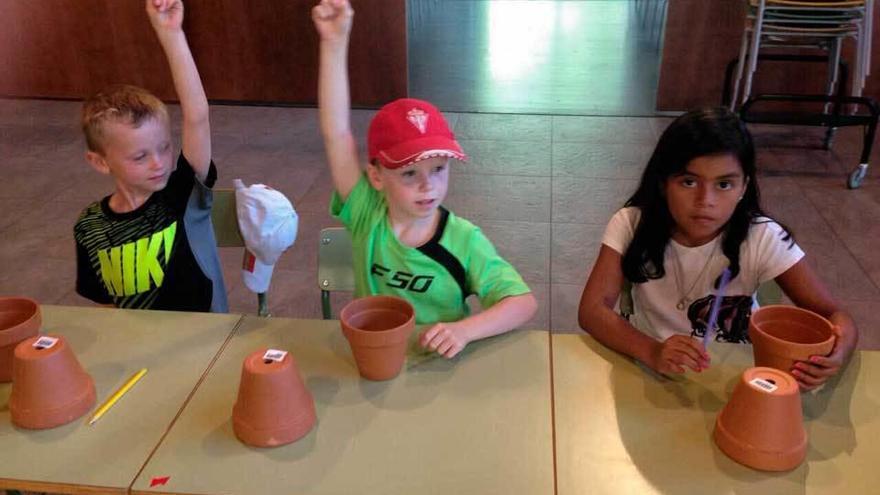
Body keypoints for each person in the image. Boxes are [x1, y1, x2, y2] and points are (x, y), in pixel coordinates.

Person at [313, 0, 537, 359]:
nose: (427, 185)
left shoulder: (464, 240)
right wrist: (334, 43)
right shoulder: (365, 214)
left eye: (438, 169)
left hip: (439, 370)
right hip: (372, 357)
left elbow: (523, 303)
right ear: (375, 177)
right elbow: (337, 133)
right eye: (408, 173)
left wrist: (465, 330)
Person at [578, 107, 857, 390]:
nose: (705, 200)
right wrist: (651, 350)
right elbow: (592, 310)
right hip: (651, 368)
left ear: (743, 188)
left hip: (738, 377)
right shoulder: (630, 223)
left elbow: (836, 316)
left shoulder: (762, 236)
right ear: (663, 183)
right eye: (688, 182)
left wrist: (837, 354)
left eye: (724, 184)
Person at [74, 0, 227, 312]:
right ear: (100, 162)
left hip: (208, 344)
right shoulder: (90, 227)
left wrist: (171, 34)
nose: (159, 163)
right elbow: (105, 305)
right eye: (140, 156)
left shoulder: (181, 194)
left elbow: (197, 115)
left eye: (164, 147)